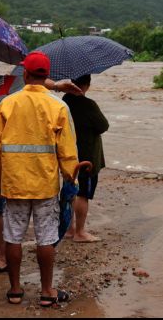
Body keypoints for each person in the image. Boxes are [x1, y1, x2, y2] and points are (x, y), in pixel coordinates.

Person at [0, 52, 80, 275]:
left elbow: (36, 81)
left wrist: (57, 85)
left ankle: (3, 258)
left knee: (0, 210)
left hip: (0, 157)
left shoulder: (9, 86)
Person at [0, 51, 78, 306]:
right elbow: (68, 151)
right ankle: (47, 291)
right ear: (47, 76)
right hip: (45, 185)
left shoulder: (7, 103)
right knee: (46, 238)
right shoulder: (59, 106)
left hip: (14, 183)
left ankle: (15, 290)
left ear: (25, 74)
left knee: (13, 236)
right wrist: (71, 182)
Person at [63, 74, 108, 243]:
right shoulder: (88, 104)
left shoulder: (64, 101)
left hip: (68, 154)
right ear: (87, 85)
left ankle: (69, 229)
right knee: (83, 194)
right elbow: (103, 125)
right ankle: (80, 232)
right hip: (87, 156)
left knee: (70, 191)